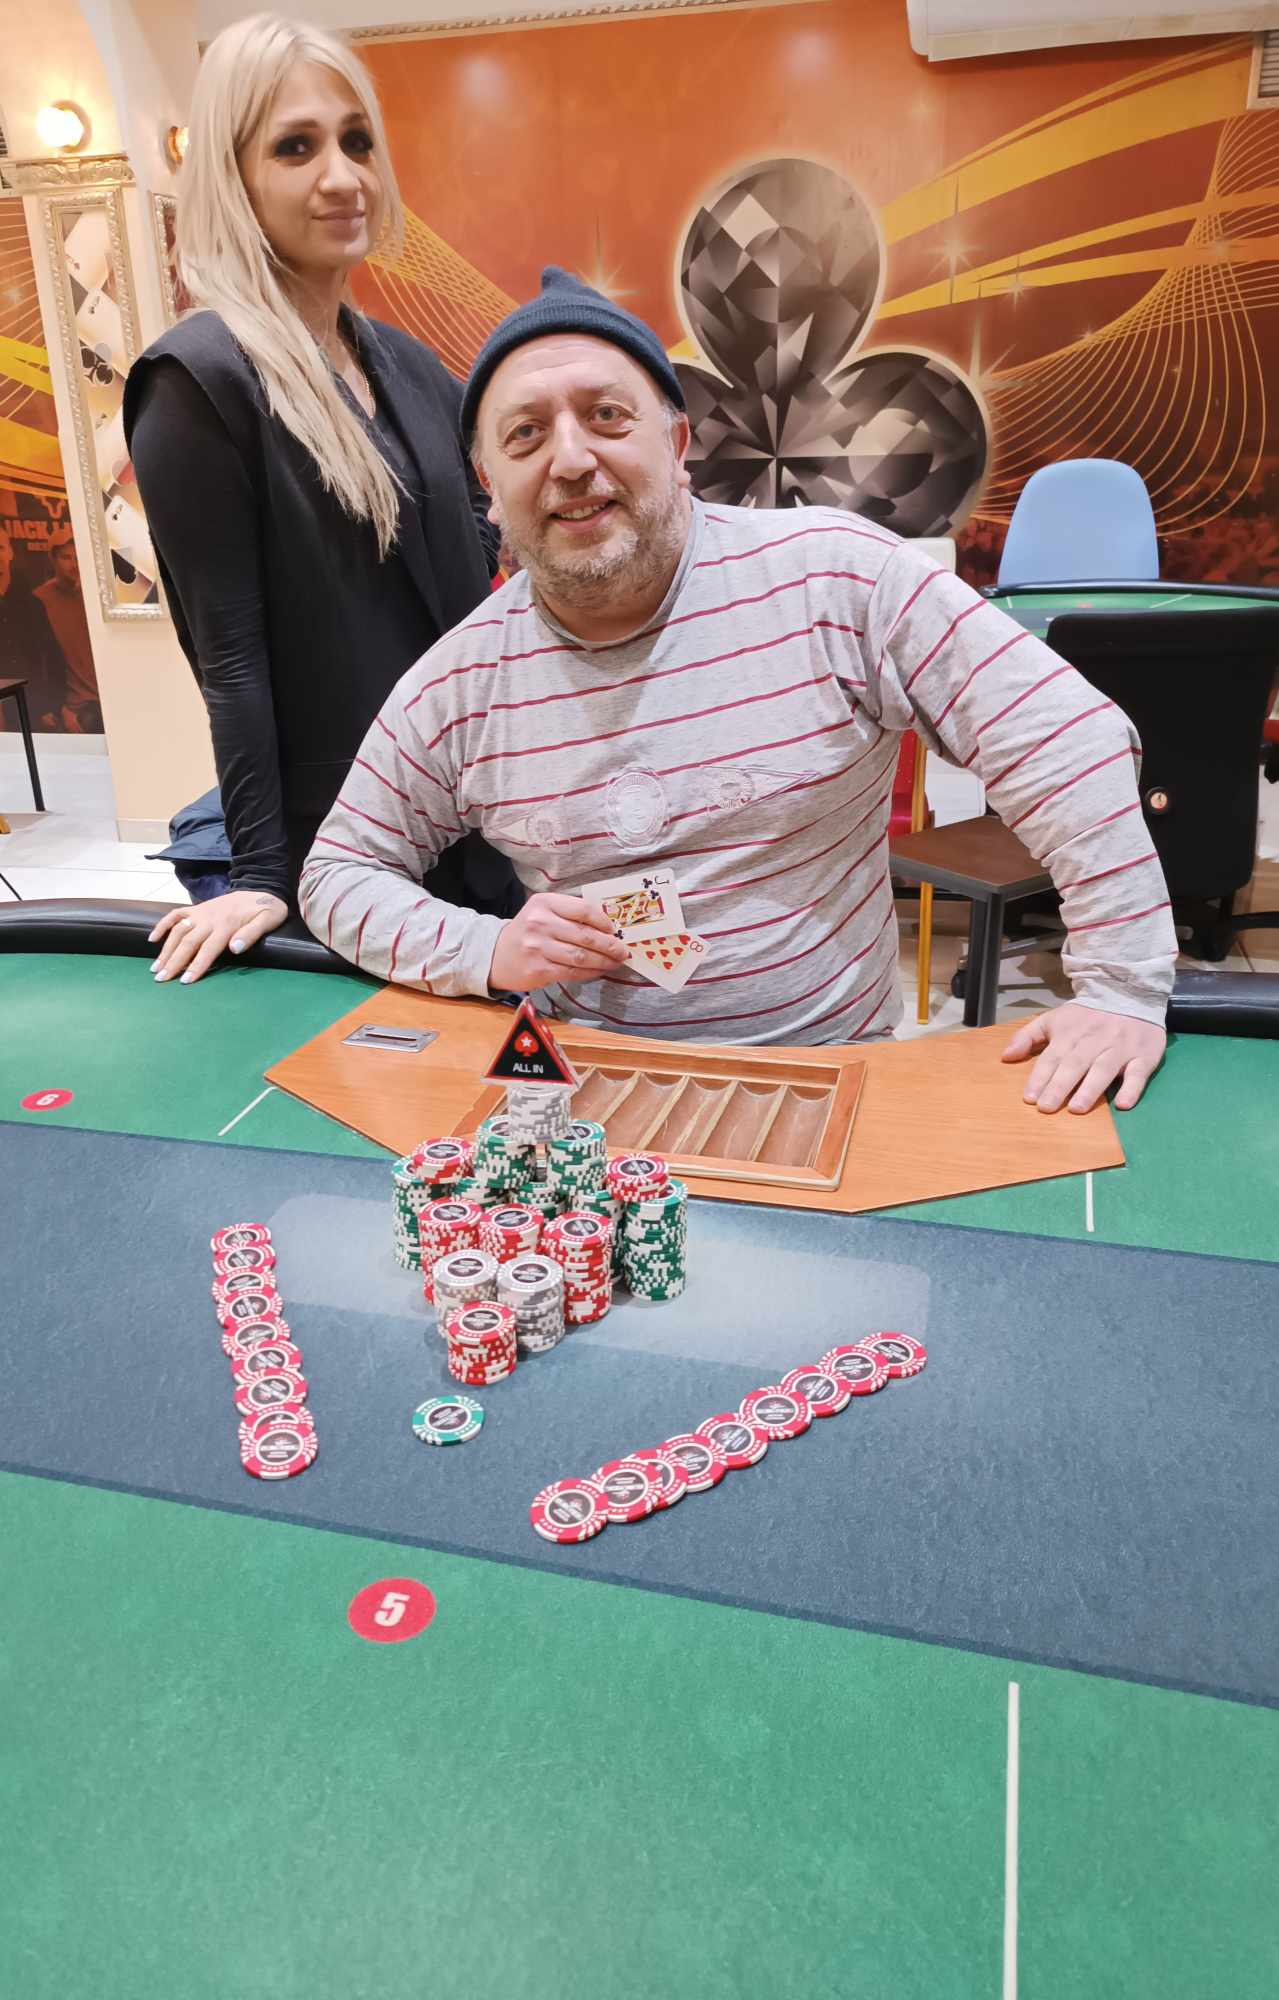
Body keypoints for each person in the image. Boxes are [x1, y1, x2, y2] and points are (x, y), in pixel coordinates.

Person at [300, 269, 1176, 1116]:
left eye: (606, 416)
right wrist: (485, 947)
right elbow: (339, 873)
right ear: (488, 488)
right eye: (524, 434)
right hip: (581, 1087)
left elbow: (1066, 738)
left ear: (678, 446)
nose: (569, 459)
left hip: (834, 1074)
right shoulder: (459, 681)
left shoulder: (837, 577)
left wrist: (1119, 986)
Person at [123, 12, 519, 987]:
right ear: (233, 175)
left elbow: (472, 559)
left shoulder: (410, 366)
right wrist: (260, 874)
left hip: (475, 821)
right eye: (295, 147)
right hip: (340, 851)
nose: (342, 176)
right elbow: (229, 656)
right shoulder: (198, 381)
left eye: (356, 141)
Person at [33, 532, 101, 732]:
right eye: (66, 557)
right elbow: (41, 659)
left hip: (107, 695)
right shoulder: (40, 599)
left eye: (78, 557)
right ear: (53, 560)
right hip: (74, 706)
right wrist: (56, 705)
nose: (74, 564)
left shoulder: (95, 594)